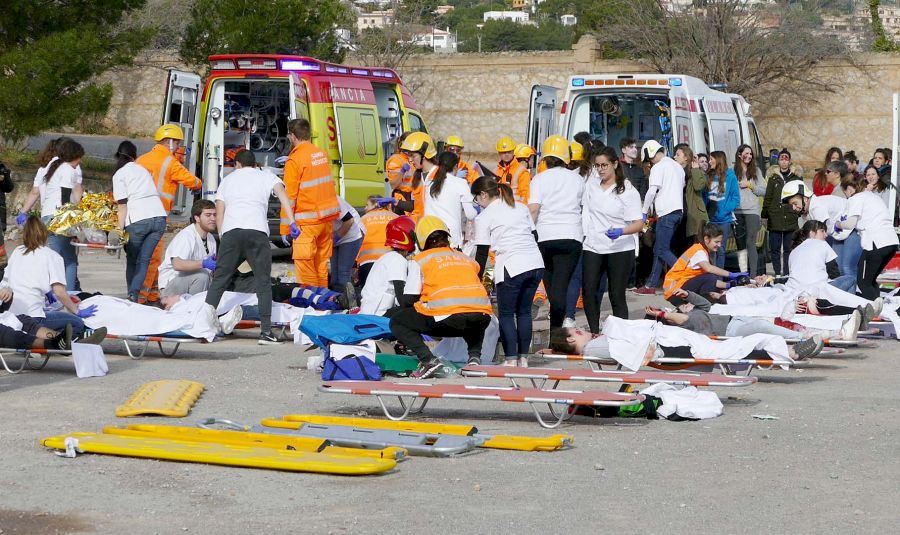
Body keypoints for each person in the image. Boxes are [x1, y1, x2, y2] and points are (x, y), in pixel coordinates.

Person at [204, 150, 295, 345]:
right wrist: (292, 221)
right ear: (255, 164)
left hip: (231, 232)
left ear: (237, 164)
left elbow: (220, 212)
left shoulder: (227, 180)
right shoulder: (265, 176)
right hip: (257, 232)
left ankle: (202, 325)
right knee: (263, 282)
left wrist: (223, 237)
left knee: (220, 280)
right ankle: (266, 332)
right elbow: (282, 194)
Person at [389, 216, 492, 378]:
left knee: (398, 321)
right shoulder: (465, 258)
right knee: (473, 313)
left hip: (448, 319)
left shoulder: (421, 260)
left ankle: (428, 360)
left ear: (420, 240)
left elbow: (408, 300)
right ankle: (474, 357)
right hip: (483, 317)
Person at [472, 177, 544, 366]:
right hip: (535, 263)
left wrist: (476, 279)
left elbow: (482, 253)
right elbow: (534, 235)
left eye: (475, 199)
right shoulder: (520, 206)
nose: (476, 203)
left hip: (512, 265)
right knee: (524, 312)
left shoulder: (484, 217)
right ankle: (523, 358)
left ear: (483, 195)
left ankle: (511, 359)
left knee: (506, 314)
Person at [134, 124, 203, 303]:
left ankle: (151, 294)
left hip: (136, 216)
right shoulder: (170, 162)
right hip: (156, 215)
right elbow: (192, 181)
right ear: (170, 142)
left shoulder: (141, 160)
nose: (179, 147)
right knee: (152, 258)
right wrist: (199, 184)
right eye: (178, 143)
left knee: (141, 257)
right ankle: (142, 298)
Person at [1, 216, 98, 338]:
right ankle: (58, 339)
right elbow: (59, 292)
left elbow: (8, 281)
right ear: (44, 233)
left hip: (12, 316)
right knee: (77, 323)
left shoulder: (17, 251)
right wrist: (77, 311)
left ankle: (45, 336)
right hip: (34, 317)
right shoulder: (52, 256)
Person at [579, 147, 642, 331]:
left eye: (604, 165)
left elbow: (639, 223)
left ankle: (622, 334)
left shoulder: (627, 190)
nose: (600, 169)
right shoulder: (591, 185)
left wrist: (622, 231)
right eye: (597, 166)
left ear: (615, 164)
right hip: (593, 245)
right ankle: (594, 331)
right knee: (589, 291)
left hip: (620, 247)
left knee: (616, 294)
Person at [528, 135, 585, 328]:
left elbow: (533, 209)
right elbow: (584, 207)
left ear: (545, 158)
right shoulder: (577, 179)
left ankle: (556, 329)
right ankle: (557, 330)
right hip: (571, 236)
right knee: (561, 285)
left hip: (544, 236)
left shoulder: (539, 179)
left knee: (551, 286)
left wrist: (526, 232)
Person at [18, 138, 85, 291]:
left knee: (53, 258)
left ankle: (50, 293)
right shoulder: (68, 170)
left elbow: (38, 192)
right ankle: (69, 294)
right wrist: (74, 221)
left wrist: (23, 212)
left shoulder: (52, 167)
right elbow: (65, 198)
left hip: (47, 217)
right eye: (79, 158)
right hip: (59, 217)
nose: (80, 161)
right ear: (73, 156)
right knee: (69, 261)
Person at [282, 118, 340, 288]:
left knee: (306, 269)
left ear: (292, 136)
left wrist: (285, 227)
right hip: (326, 219)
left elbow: (289, 197)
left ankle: (311, 301)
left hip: (306, 223)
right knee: (321, 267)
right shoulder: (320, 154)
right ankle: (324, 300)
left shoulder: (295, 160)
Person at [111, 140, 167, 302]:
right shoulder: (142, 170)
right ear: (134, 156)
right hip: (159, 217)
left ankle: (132, 296)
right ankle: (134, 295)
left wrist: (118, 230)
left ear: (118, 156)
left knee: (132, 261)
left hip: (138, 219)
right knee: (144, 260)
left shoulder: (119, 175)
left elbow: (122, 206)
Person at [644, 305, 834, 351]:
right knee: (763, 327)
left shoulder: (692, 314)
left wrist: (688, 295)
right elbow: (680, 318)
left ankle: (818, 335)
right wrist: (661, 315)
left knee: (771, 324)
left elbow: (703, 303)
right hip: (730, 332)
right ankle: (804, 338)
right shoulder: (684, 324)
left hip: (735, 320)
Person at [398, 134, 475, 248]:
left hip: (446, 240)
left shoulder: (439, 178)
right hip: (426, 237)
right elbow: (417, 206)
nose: (410, 160)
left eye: (413, 156)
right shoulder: (420, 177)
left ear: (424, 155)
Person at [836, 175, 900, 300]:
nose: (847, 196)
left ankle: (875, 308)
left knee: (864, 283)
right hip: (891, 242)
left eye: (845, 193)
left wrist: (838, 224)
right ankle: (878, 305)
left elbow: (850, 224)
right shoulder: (873, 197)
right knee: (870, 280)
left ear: (849, 189)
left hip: (875, 243)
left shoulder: (856, 198)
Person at [635, 140, 685, 294]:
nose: (649, 163)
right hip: (678, 212)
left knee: (662, 250)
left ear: (650, 153)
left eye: (648, 159)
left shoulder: (659, 167)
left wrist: (644, 211)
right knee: (659, 249)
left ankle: (687, 274)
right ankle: (650, 285)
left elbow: (652, 191)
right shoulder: (678, 167)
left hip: (666, 213)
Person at [662, 223, 747, 307]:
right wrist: (731, 274)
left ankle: (701, 305)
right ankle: (704, 307)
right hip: (675, 292)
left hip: (677, 290)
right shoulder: (699, 252)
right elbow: (709, 270)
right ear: (706, 239)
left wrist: (730, 284)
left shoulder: (702, 250)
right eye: (716, 242)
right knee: (710, 276)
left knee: (711, 278)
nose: (719, 245)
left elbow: (709, 280)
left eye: (720, 242)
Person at [158, 200, 217, 297]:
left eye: (215, 215)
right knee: (202, 276)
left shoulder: (211, 239)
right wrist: (203, 263)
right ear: (197, 218)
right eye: (208, 215)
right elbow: (177, 264)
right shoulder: (186, 236)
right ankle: (190, 307)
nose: (213, 218)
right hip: (171, 286)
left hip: (193, 285)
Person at [359, 216, 416, 316]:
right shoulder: (398, 260)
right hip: (377, 314)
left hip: (371, 310)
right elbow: (402, 299)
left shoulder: (389, 257)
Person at [785, 220, 857, 293]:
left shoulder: (794, 251)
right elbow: (834, 272)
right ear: (812, 233)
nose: (826, 235)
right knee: (851, 279)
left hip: (794, 290)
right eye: (822, 231)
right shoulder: (822, 244)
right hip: (818, 291)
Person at [762, 149, 801, 277]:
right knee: (775, 248)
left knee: (789, 248)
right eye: (781, 159)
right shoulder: (773, 178)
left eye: (786, 159)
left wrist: (798, 212)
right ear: (778, 161)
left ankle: (787, 273)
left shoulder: (796, 178)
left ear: (789, 161)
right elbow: (768, 198)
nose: (784, 161)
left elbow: (801, 196)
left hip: (790, 216)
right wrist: (764, 215)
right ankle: (778, 273)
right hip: (775, 217)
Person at [732, 144, 766, 277]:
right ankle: (743, 275)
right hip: (737, 211)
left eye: (751, 154)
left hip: (752, 211)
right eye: (746, 153)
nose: (749, 156)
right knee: (740, 245)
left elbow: (763, 191)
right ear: (739, 155)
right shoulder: (732, 171)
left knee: (750, 242)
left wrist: (750, 185)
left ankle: (752, 275)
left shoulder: (756, 171)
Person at [704, 151, 740, 269]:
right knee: (710, 249)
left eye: (711, 159)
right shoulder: (708, 175)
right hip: (711, 219)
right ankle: (711, 275)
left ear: (719, 160)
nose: (709, 162)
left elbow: (736, 198)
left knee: (720, 249)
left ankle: (719, 276)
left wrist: (725, 209)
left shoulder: (731, 176)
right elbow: (704, 196)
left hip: (724, 220)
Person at [357, 195, 400, 289]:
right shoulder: (396, 218)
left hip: (367, 262)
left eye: (367, 205)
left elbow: (356, 241)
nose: (365, 208)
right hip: (391, 262)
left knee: (367, 292)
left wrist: (354, 265)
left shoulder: (363, 219)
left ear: (376, 204)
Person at [676, 143, 708, 244]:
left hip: (694, 215)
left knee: (696, 245)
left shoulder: (697, 171)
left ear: (686, 157)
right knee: (681, 246)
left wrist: (695, 169)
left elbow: (698, 186)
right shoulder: (675, 171)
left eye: (678, 155)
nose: (674, 157)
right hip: (679, 214)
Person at [330, 196, 363, 295]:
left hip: (350, 235)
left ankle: (347, 299)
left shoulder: (333, 200)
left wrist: (336, 237)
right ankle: (335, 298)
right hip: (334, 235)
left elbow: (349, 220)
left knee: (343, 272)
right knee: (334, 273)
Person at [493, 136, 531, 205]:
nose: (506, 155)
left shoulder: (522, 171)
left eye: (509, 152)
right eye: (503, 152)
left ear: (513, 152)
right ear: (499, 153)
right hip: (498, 208)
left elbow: (525, 196)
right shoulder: (495, 171)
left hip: (515, 208)